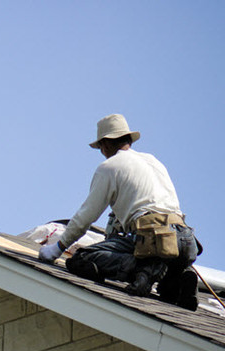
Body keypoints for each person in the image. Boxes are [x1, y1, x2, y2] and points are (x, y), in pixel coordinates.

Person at [38, 114, 201, 310]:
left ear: (105, 144)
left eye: (100, 148)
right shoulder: (153, 161)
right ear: (128, 139)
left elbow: (86, 216)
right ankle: (178, 277)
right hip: (184, 241)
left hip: (152, 239)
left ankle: (142, 269)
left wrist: (57, 248)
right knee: (167, 290)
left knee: (82, 259)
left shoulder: (110, 167)